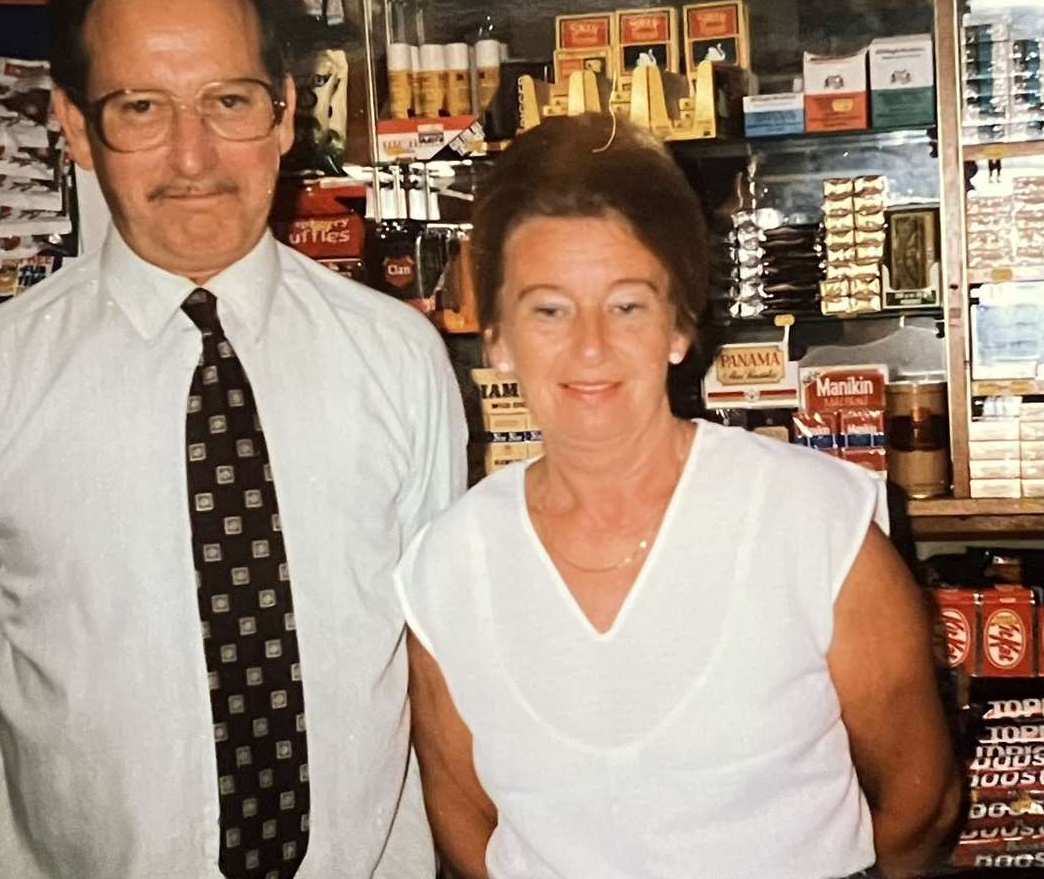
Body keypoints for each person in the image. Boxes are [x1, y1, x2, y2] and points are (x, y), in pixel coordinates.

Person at [0, 0, 467, 879]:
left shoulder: (399, 358)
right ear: (77, 127)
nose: (194, 156)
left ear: (287, 114)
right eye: (140, 108)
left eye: (229, 100)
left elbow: (436, 651)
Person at [396, 113, 959, 879]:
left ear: (677, 327)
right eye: (548, 309)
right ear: (496, 335)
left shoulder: (809, 521)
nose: (590, 346)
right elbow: (466, 822)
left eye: (626, 305)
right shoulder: (447, 566)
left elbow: (918, 805)